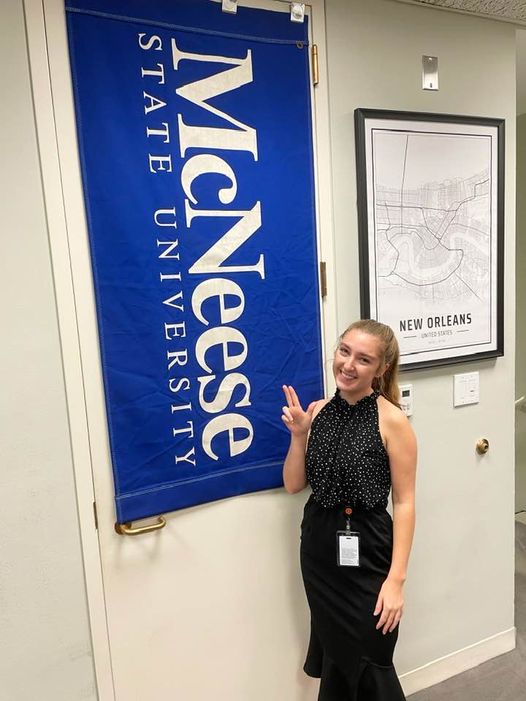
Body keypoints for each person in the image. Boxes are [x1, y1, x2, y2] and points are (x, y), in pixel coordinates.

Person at [282, 319, 417, 700]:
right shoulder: (318, 411)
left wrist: (396, 581)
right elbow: (294, 484)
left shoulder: (393, 421)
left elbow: (405, 503)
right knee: (337, 658)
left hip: (369, 548)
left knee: (372, 659)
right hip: (320, 548)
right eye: (344, 351)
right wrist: (299, 436)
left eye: (363, 359)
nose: (348, 364)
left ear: (381, 368)